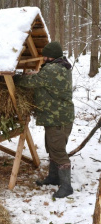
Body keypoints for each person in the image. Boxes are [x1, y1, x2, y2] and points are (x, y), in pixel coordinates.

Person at [16, 41, 74, 198]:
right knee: (52, 148)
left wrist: (14, 79)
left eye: (45, 56)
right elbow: (44, 79)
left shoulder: (52, 69)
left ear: (51, 56)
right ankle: (54, 177)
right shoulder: (61, 65)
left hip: (57, 118)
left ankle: (66, 186)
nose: (44, 58)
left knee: (58, 151)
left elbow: (31, 82)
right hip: (56, 117)